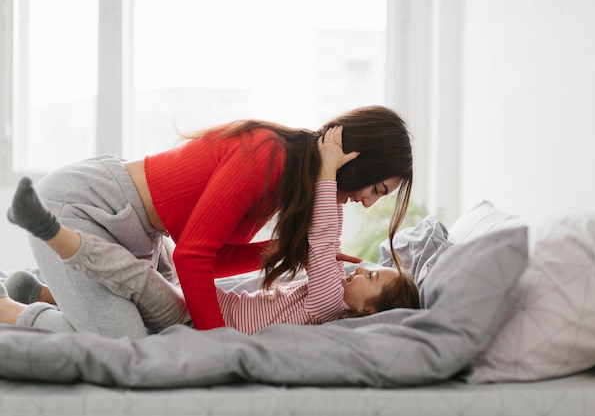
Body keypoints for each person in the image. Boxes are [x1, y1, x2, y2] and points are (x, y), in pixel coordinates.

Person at [4, 105, 414, 339]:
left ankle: (47, 293)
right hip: (86, 204)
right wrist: (215, 344)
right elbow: (192, 258)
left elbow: (210, 260)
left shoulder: (290, 178)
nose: (365, 203)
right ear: (354, 162)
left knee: (139, 312)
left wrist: (285, 250)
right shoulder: (270, 158)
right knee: (126, 348)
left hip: (138, 232)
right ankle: (9, 310)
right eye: (376, 190)